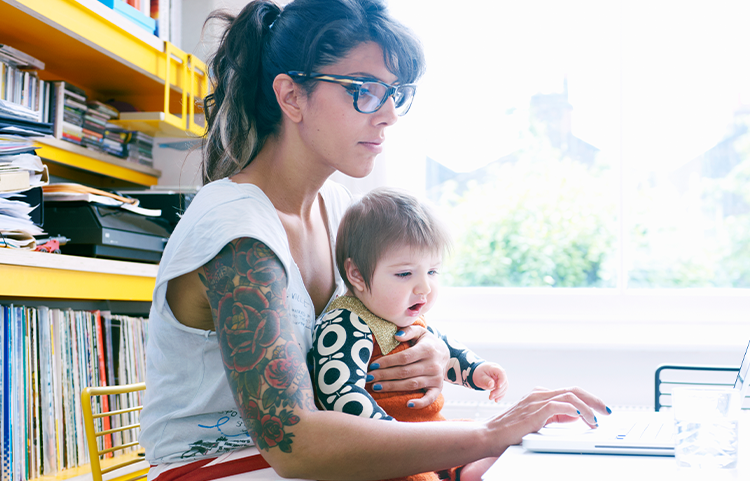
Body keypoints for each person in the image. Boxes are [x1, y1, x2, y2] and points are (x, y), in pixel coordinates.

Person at [139, 0, 610, 480]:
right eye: (363, 90)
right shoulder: (238, 231)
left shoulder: (340, 208)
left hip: (323, 450)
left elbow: (376, 326)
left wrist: (428, 353)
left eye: (395, 93)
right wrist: (492, 431)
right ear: (292, 97)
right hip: (226, 465)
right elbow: (292, 441)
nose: (388, 114)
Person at [311, 187, 507, 481]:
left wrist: (476, 370)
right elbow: (338, 394)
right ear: (357, 275)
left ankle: (463, 470)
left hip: (431, 433)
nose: (424, 288)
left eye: (432, 272)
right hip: (390, 450)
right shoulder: (347, 322)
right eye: (405, 274)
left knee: (499, 446)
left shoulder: (405, 314)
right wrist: (392, 435)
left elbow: (445, 350)